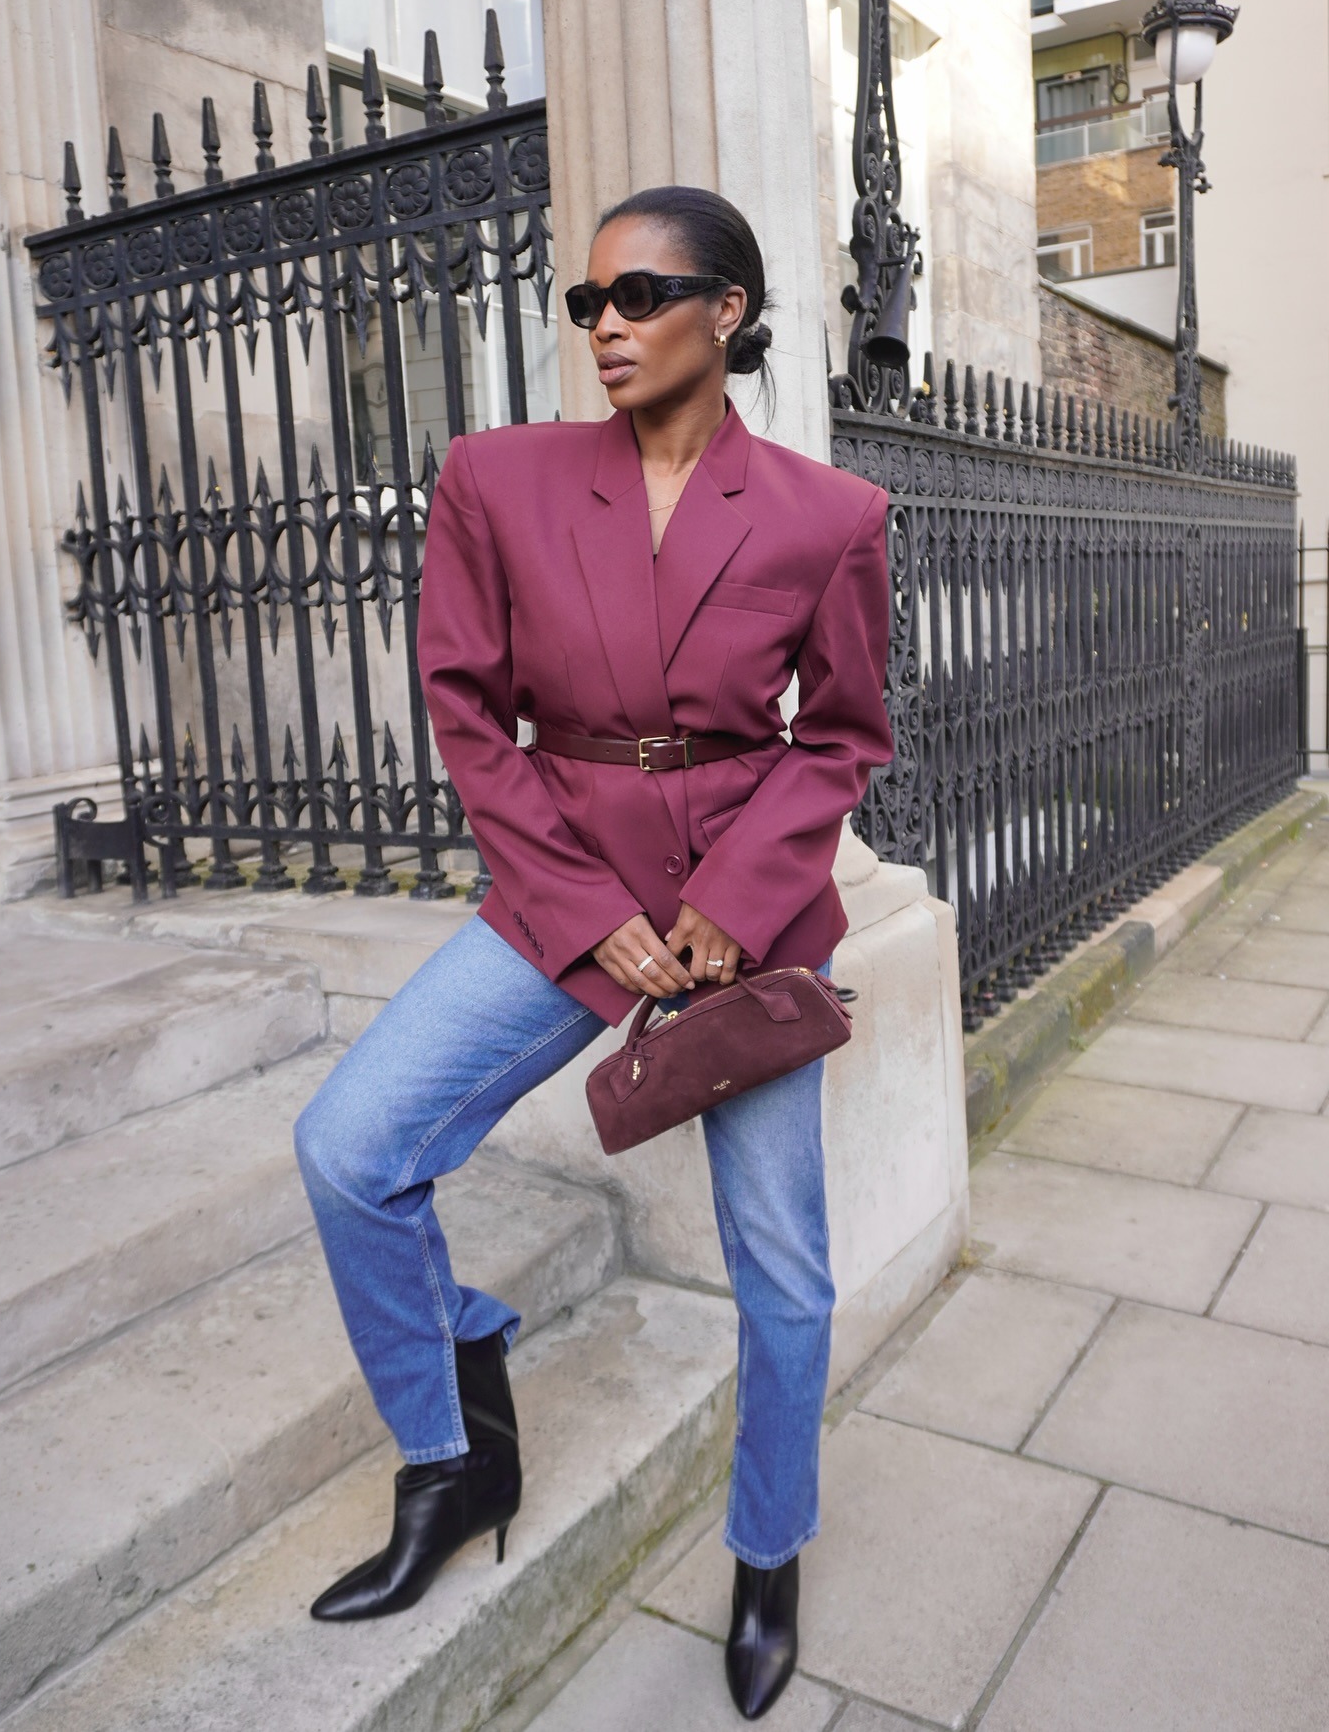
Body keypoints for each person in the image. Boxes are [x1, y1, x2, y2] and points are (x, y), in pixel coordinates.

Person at [294, 184, 892, 1721]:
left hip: (742, 930)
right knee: (353, 1147)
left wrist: (743, 902)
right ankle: (451, 1450)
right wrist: (579, 909)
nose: (606, 327)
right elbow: (468, 720)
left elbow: (837, 739)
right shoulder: (498, 480)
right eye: (590, 303)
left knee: (786, 1269)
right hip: (561, 894)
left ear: (729, 312)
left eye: (640, 297)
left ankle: (769, 1553)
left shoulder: (831, 518)